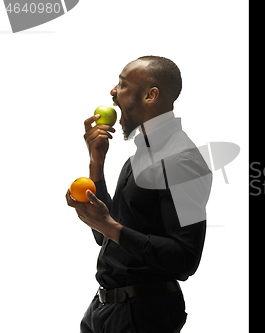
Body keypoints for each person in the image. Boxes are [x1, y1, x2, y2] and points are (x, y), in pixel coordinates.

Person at [66, 56, 212, 333]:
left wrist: (109, 225)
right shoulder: (139, 157)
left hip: (143, 315)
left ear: (150, 95)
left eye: (121, 84)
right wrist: (96, 163)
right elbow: (106, 236)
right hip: (103, 310)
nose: (112, 92)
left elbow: (185, 258)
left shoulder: (183, 161)